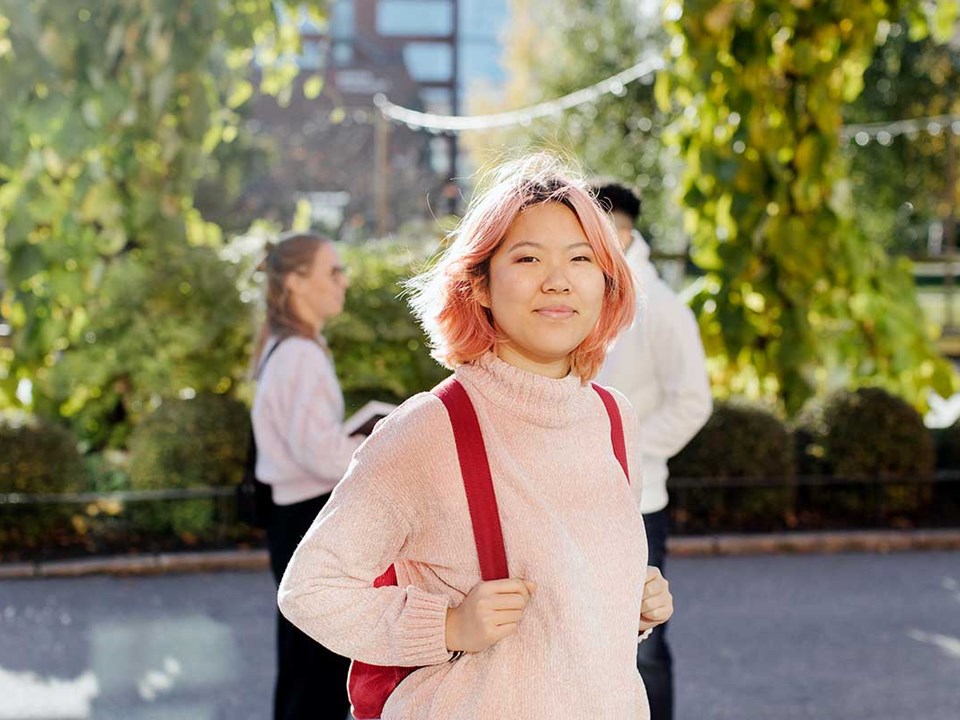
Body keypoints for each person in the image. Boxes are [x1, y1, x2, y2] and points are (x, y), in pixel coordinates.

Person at [277, 155, 674, 719]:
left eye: (581, 258)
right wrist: (445, 624)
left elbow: (564, 601)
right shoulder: (427, 430)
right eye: (528, 257)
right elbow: (311, 590)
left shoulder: (613, 419)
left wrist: (629, 603)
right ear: (480, 285)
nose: (558, 279)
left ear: (606, 283)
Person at [592, 181, 713, 720]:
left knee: (645, 645)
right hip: (572, 497)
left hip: (636, 501)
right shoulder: (588, 293)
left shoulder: (660, 308)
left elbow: (693, 403)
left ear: (620, 231)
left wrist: (625, 457)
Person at [251, 232, 364, 719]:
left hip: (294, 515)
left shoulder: (288, 346)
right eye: (332, 271)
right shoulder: (299, 353)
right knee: (317, 669)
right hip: (307, 516)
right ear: (297, 282)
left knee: (305, 663)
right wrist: (369, 450)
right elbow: (316, 453)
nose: (343, 281)